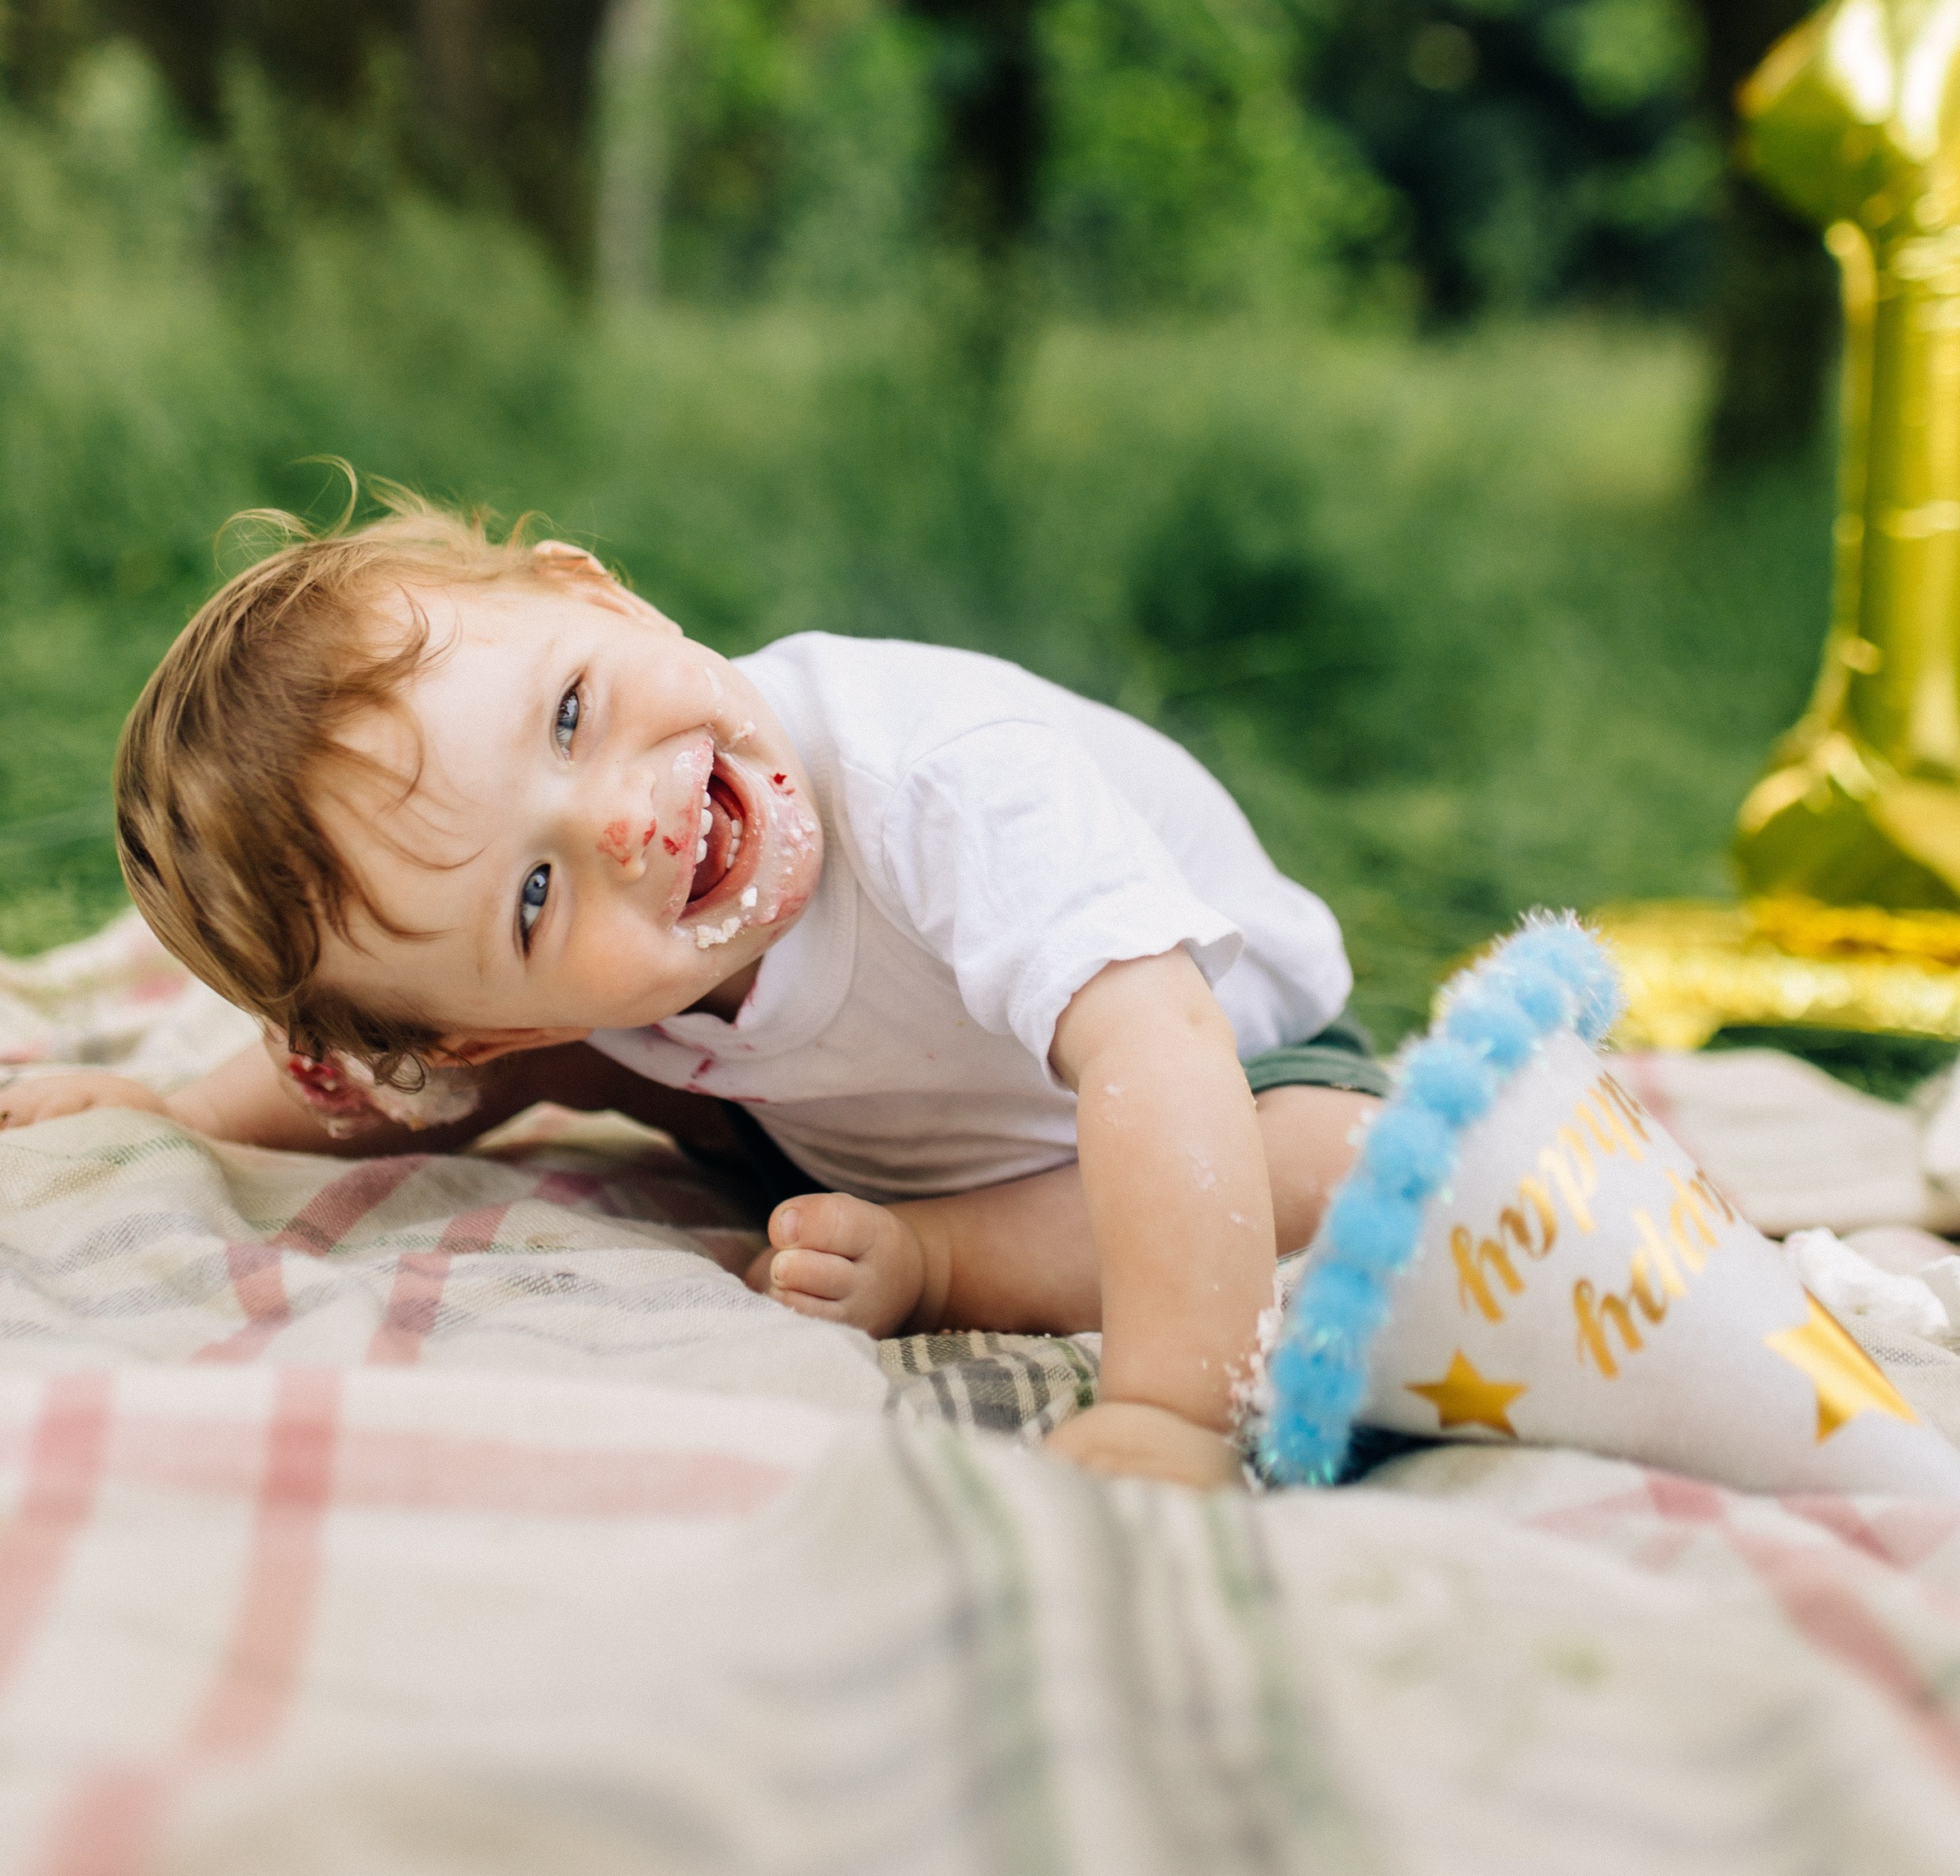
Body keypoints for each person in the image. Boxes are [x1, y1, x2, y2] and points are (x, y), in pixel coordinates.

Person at [2, 503, 1384, 1487]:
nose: (617, 824)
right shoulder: (572, 1005)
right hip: (841, 1111)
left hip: (1222, 1063)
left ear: (602, 595)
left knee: (1325, 1163)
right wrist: (175, 1114)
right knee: (570, 1046)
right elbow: (433, 1063)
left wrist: (1168, 1411)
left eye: (569, 715)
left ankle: (945, 1255)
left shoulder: (943, 778)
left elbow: (1156, 1041)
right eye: (534, 897)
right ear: (499, 1017)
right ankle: (914, 1230)